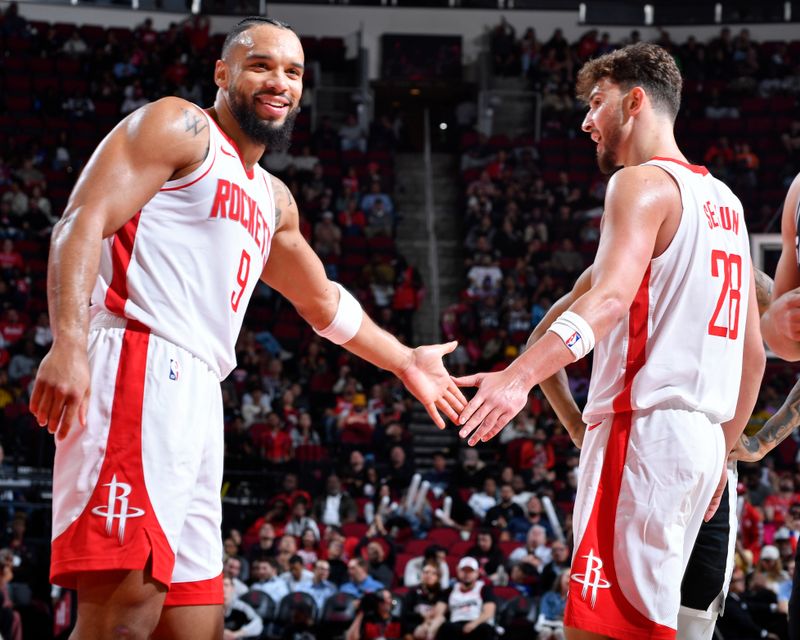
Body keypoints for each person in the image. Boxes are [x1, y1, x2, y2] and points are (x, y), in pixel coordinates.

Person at [28, 17, 466, 639]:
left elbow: (323, 303)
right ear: (223, 73)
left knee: (194, 624)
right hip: (137, 360)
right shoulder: (178, 125)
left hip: (201, 390)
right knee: (121, 618)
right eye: (262, 65)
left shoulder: (273, 197)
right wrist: (67, 343)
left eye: (293, 72)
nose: (279, 81)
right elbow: (81, 221)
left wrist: (403, 360)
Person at [455, 42, 765, 640]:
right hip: (703, 447)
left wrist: (517, 377)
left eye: (596, 104)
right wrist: (723, 452)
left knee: (601, 631)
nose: (586, 121)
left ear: (635, 101)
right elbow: (753, 355)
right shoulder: (726, 202)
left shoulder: (638, 184)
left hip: (642, 435)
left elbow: (607, 301)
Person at [438, 557, 496, 640]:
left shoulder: (484, 589)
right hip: (456, 625)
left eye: (470, 571)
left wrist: (474, 624)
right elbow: (439, 611)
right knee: (445, 627)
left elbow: (489, 612)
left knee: (486, 629)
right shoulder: (450, 590)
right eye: (464, 570)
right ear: (458, 571)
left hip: (477, 623)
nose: (467, 574)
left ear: (477, 572)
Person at [222, 575, 263, 640]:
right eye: (219, 586)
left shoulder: (241, 607)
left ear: (232, 588)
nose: (223, 588)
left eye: (226, 585)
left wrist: (236, 634)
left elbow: (258, 623)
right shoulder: (210, 609)